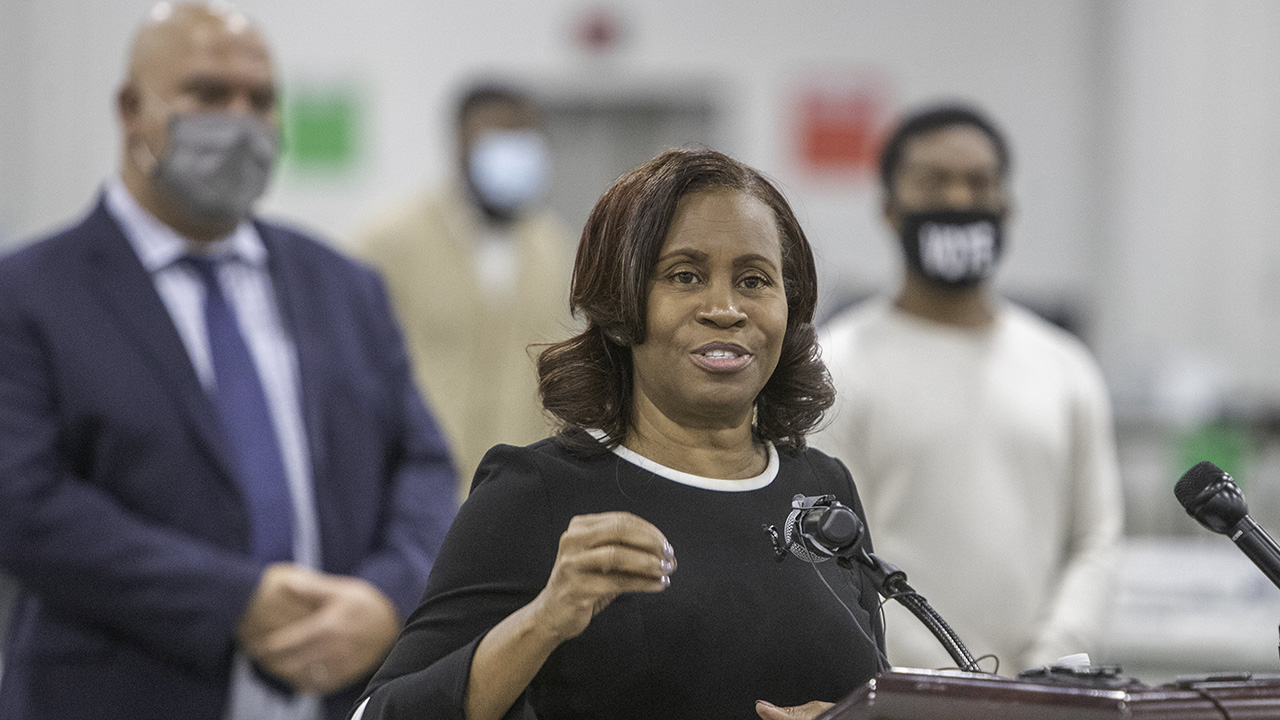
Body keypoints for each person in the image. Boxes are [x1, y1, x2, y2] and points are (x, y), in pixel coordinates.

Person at [0, 4, 458, 719]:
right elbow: (23, 502)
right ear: (130, 107)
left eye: (262, 100)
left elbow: (423, 462)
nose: (241, 121)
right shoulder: (28, 293)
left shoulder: (344, 285)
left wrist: (388, 597)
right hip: (122, 690)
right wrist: (236, 600)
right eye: (209, 95)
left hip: (344, 691)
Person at [348, 149, 886, 720]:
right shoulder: (538, 493)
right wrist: (543, 620)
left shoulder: (823, 488)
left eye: (755, 280)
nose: (726, 309)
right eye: (686, 276)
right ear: (621, 302)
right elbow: (378, 714)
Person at [810, 103, 1124, 672]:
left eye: (978, 183)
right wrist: (950, 683)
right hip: (899, 696)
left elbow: (1094, 541)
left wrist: (1047, 667)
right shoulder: (837, 368)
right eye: (934, 182)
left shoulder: (1065, 367)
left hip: (1044, 699)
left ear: (1006, 205)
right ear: (889, 208)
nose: (959, 200)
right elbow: (837, 554)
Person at [353, 83, 571, 494]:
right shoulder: (390, 241)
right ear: (460, 143)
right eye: (497, 139)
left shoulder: (550, 246)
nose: (513, 155)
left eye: (523, 139)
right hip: (418, 489)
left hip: (522, 490)